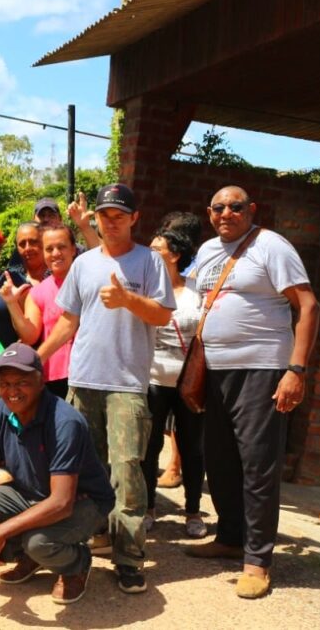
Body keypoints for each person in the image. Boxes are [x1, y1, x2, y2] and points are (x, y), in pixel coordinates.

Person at [36, 183, 175, 594]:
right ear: (94, 218)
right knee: (83, 470)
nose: (110, 221)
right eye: (104, 214)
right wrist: (37, 358)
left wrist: (127, 299)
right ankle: (92, 537)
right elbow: (67, 320)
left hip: (126, 386)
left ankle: (130, 558)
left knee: (127, 473)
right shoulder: (83, 264)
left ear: (134, 218)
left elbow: (163, 316)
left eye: (119, 214)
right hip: (83, 382)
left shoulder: (149, 262)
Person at [184, 186, 320, 600]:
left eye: (236, 207)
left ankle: (258, 561)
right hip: (217, 371)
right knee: (220, 459)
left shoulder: (271, 246)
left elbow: (309, 305)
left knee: (258, 465)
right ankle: (229, 536)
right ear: (209, 213)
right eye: (219, 207)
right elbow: (190, 304)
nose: (227, 213)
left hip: (263, 369)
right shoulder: (207, 251)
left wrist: (295, 370)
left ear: (251, 210)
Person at [0, 343, 115, 605]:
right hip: (34, 494)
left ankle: (76, 563)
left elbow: (62, 503)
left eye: (21, 382)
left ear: (41, 381)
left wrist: (2, 531)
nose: (11, 391)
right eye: (5, 383)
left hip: (84, 501)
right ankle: (31, 559)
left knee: (38, 542)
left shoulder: (65, 422)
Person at [141, 229, 206, 538]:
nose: (150, 252)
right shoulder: (146, 289)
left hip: (189, 382)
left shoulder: (197, 292)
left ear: (175, 255)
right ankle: (149, 507)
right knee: (150, 446)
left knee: (193, 447)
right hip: (152, 378)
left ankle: (193, 512)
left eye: (157, 248)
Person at [3, 224, 78, 398]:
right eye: (49, 249)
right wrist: (12, 304)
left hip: (89, 373)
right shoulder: (37, 292)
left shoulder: (89, 281)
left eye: (61, 247)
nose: (55, 253)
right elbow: (30, 336)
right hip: (53, 376)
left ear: (73, 249)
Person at [35, 194, 101, 250]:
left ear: (60, 219)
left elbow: (97, 258)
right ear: (34, 219)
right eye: (42, 215)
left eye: (51, 215)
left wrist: (85, 227)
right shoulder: (28, 250)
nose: (46, 219)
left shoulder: (72, 249)